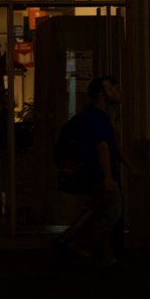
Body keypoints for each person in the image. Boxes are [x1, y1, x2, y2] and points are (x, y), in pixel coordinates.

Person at [58, 76, 126, 269]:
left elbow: (112, 147)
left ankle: (105, 255)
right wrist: (108, 176)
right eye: (113, 89)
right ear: (101, 95)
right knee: (112, 211)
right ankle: (79, 246)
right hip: (97, 173)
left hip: (95, 173)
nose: (118, 92)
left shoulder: (98, 116)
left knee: (100, 211)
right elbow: (102, 147)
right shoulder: (96, 117)